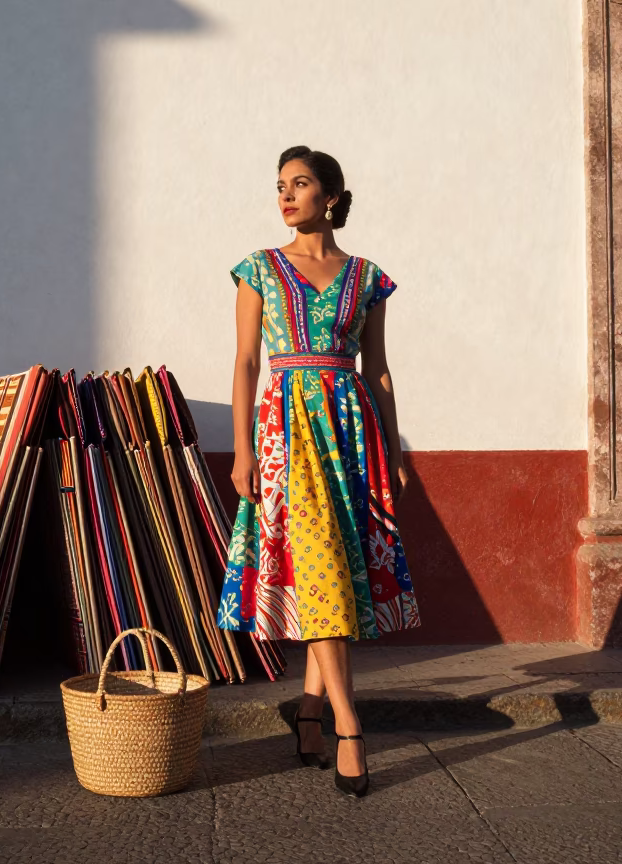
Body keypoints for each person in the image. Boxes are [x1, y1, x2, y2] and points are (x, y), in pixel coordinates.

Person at [217, 145, 420, 798]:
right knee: (321, 568)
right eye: (279, 185)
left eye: (299, 185)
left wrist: (394, 448)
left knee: (334, 567)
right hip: (285, 434)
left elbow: (379, 369)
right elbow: (247, 362)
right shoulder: (259, 270)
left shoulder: (367, 278)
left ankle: (308, 711)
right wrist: (243, 450)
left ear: (330, 197)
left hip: (351, 433)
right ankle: (349, 725)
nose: (285, 196)